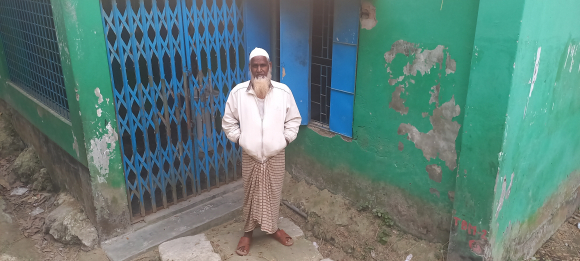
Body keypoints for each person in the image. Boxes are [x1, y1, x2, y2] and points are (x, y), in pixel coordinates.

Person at [222, 47, 302, 256]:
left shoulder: (283, 92)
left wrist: (284, 139)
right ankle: (247, 233)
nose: (259, 70)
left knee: (274, 194)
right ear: (250, 68)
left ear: (270, 67)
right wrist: (241, 139)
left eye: (262, 65)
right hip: (250, 155)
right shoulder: (238, 92)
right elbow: (228, 121)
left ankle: (272, 228)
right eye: (255, 65)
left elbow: (294, 120)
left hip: (276, 154)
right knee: (250, 194)